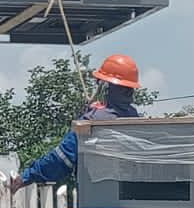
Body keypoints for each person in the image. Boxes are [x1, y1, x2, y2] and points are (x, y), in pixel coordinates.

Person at [8, 54, 141, 192]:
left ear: (105, 86)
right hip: (133, 196)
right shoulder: (135, 120)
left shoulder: (91, 123)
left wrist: (25, 178)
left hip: (96, 197)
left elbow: (61, 159)